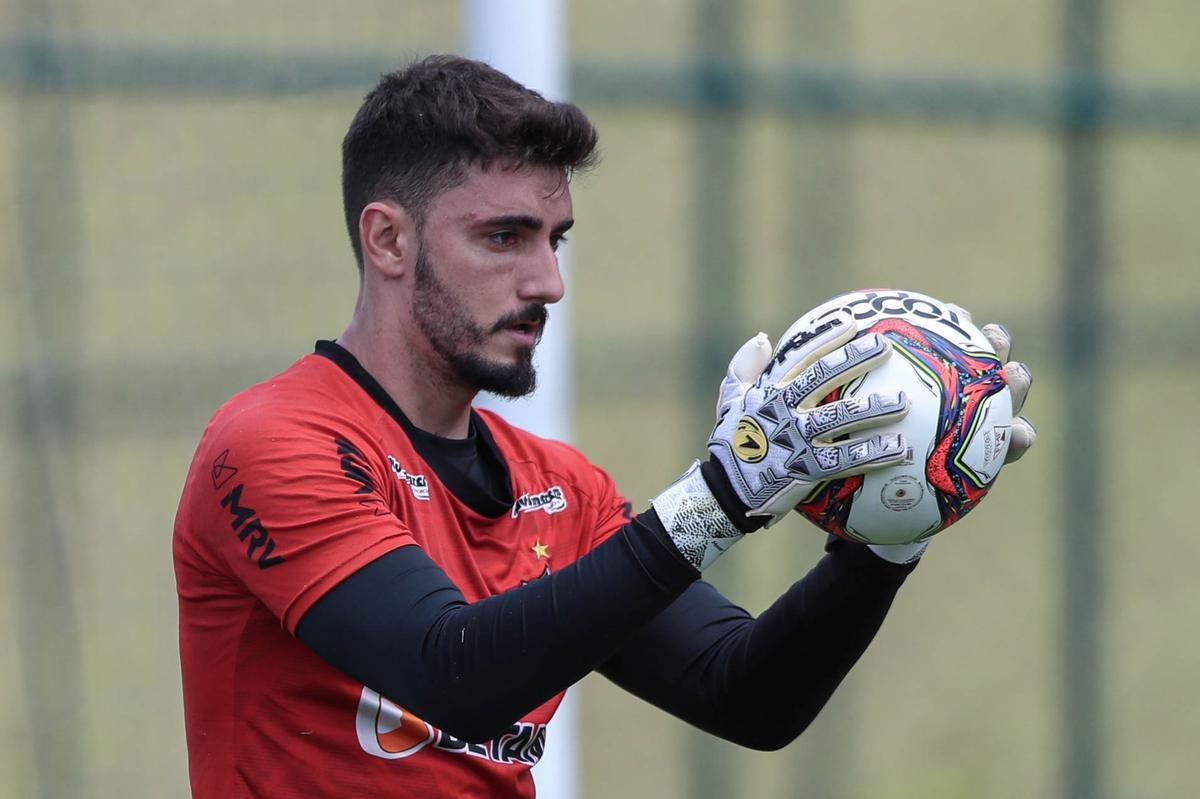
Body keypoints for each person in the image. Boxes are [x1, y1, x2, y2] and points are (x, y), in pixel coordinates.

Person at [173, 54, 1035, 798]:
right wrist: (722, 494)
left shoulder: (560, 488)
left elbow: (745, 693)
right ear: (389, 241)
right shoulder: (273, 444)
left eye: (558, 239)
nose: (548, 280)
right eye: (505, 237)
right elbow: (454, 673)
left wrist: (890, 533)